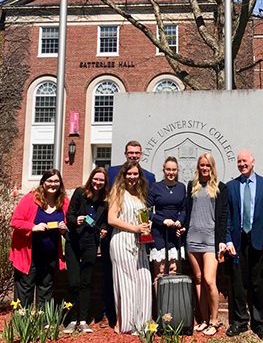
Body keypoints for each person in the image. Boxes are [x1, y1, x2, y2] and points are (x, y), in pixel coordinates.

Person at [101, 140, 155, 328]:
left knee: (144, 281)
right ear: (123, 176)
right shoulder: (118, 193)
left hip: (139, 243)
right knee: (126, 283)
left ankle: (142, 322)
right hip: (122, 241)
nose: (132, 177)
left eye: (135, 174)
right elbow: (111, 219)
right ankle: (125, 324)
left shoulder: (140, 194)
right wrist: (134, 229)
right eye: (129, 174)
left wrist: (145, 225)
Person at [225, 150, 263, 340]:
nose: (242, 164)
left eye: (244, 161)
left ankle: (261, 324)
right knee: (239, 284)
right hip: (238, 243)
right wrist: (228, 240)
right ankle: (239, 321)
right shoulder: (231, 186)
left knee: (259, 284)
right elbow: (228, 217)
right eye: (239, 161)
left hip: (260, 242)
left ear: (253, 162)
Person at [10, 169, 69, 307]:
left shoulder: (64, 201)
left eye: (56, 181)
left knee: (45, 290)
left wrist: (64, 228)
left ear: (60, 183)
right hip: (29, 255)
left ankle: (42, 325)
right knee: (25, 291)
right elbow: (15, 221)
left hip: (50, 256)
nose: (52, 184)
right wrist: (33, 227)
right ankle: (23, 325)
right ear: (43, 182)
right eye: (49, 181)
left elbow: (69, 222)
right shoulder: (31, 199)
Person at [185, 154, 228, 336]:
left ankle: (214, 320)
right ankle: (203, 319)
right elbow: (188, 211)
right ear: (198, 167)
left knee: (210, 281)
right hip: (192, 238)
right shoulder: (191, 186)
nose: (205, 168)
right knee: (199, 279)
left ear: (212, 167)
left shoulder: (220, 188)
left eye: (208, 165)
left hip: (211, 239)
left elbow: (223, 215)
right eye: (202, 165)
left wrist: (222, 241)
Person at [63, 167, 109, 334]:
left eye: (101, 180)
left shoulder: (105, 200)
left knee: (86, 281)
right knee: (73, 282)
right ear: (91, 179)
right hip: (74, 241)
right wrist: (77, 220)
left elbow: (104, 222)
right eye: (96, 179)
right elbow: (69, 216)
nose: (98, 183)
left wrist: (103, 230)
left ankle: (82, 320)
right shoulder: (80, 193)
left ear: (105, 183)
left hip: (91, 242)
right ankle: (71, 319)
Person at [147, 156, 186, 287]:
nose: (171, 172)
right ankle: (160, 306)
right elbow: (146, 211)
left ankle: (172, 305)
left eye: (174, 170)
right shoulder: (155, 187)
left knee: (173, 270)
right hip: (159, 233)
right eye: (168, 169)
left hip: (174, 234)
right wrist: (162, 220)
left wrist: (180, 221)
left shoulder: (181, 187)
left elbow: (184, 209)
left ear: (177, 171)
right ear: (163, 170)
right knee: (160, 271)